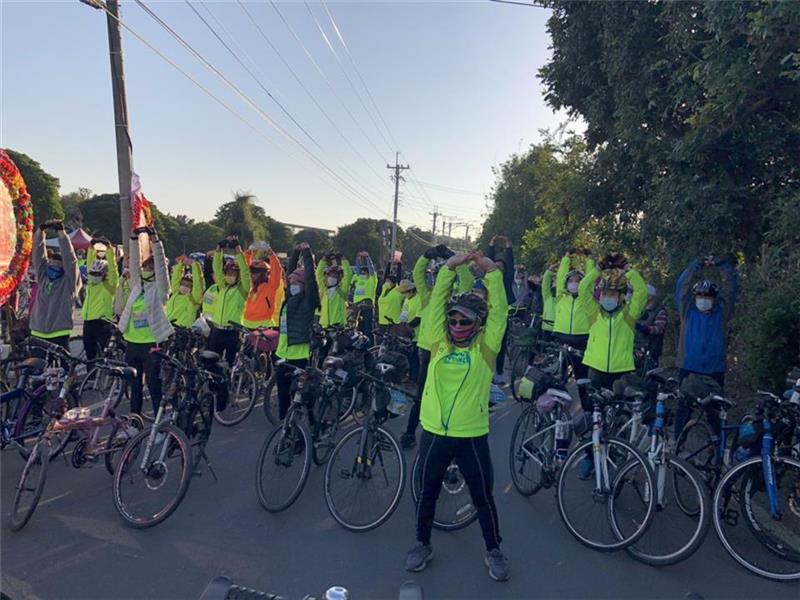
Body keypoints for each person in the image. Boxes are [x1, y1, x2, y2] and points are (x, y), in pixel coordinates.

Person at [406, 251, 509, 581]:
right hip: (435, 433)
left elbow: (501, 313)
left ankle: (494, 550)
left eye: (465, 321)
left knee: (483, 498)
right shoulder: (438, 343)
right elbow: (437, 301)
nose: (458, 325)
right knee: (428, 493)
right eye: (454, 320)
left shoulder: (486, 349)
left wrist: (491, 271)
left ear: (477, 323)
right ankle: (422, 544)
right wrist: (450, 266)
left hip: (471, 436)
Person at [578, 253, 647, 478]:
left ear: (620, 297)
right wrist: (598, 269)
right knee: (594, 419)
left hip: (621, 373)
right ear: (601, 296)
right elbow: (582, 289)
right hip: (596, 371)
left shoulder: (628, 315)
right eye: (605, 294)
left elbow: (642, 292)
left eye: (613, 294)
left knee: (620, 418)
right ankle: (590, 457)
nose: (608, 297)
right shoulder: (593, 313)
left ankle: (618, 456)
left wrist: (627, 268)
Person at [674, 256, 737, 435]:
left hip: (714, 371)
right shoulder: (687, 312)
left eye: (707, 296)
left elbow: (730, 290)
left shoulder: (721, 314)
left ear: (714, 298)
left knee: (714, 415)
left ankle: (716, 453)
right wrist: (696, 264)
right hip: (688, 369)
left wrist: (722, 265)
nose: (703, 299)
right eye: (699, 295)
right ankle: (677, 448)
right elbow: (682, 288)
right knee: (683, 411)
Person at [118, 227, 174, 415]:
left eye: (150, 268)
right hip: (132, 343)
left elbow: (161, 267)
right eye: (145, 267)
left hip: (151, 344)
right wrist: (134, 238)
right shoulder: (137, 286)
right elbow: (134, 263)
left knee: (153, 386)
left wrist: (155, 240)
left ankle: (159, 427)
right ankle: (135, 421)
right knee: (135, 388)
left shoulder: (160, 290)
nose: (145, 270)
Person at [275, 242, 319, 420]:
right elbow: (289, 273)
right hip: (281, 355)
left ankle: (309, 428)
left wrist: (307, 253)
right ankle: (283, 429)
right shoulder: (288, 300)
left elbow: (310, 279)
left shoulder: (308, 302)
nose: (291, 284)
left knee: (301, 398)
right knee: (283, 398)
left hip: (299, 358)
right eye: (290, 281)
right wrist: (294, 252)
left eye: (296, 282)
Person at [29, 220, 79, 351]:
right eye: (51, 262)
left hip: (60, 333)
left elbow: (70, 260)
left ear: (63, 266)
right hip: (38, 331)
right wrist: (40, 232)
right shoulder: (43, 277)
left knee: (63, 370)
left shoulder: (69, 282)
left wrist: (62, 234)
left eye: (57, 263)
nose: (53, 264)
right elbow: (38, 256)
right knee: (34, 369)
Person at [553, 248, 596, 378]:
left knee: (581, 375)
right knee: (560, 374)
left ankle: (583, 397)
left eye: (578, 281)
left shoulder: (586, 296)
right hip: (562, 337)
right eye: (571, 280)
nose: (574, 283)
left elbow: (590, 279)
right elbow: (561, 276)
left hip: (581, 338)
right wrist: (566, 257)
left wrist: (589, 260)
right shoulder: (561, 296)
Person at [208, 236, 250, 364]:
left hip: (233, 332)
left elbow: (245, 270)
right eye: (227, 273)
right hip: (217, 330)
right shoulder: (222, 286)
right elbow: (216, 267)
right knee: (211, 364)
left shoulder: (243, 288)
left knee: (230, 364)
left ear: (238, 276)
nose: (229, 276)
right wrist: (219, 249)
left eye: (233, 274)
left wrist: (237, 249)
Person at [81, 237, 119, 360]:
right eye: (93, 274)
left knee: (103, 357)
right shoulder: (92, 283)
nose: (94, 276)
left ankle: (104, 377)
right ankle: (90, 376)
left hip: (103, 322)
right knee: (90, 355)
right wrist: (91, 248)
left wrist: (109, 250)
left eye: (97, 274)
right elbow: (89, 264)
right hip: (88, 321)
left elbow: (113, 269)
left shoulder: (110, 284)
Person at [485, 236, 515, 383]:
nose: (498, 268)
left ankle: (499, 371)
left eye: (501, 267)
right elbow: (488, 262)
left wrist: (508, 246)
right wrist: (491, 244)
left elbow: (510, 263)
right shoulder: (489, 278)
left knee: (501, 343)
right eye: (495, 266)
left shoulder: (507, 279)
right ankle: (486, 369)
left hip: (501, 315)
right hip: (488, 313)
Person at [242, 245, 284, 329]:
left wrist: (271, 254)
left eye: (256, 272)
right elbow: (244, 268)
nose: (252, 275)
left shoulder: (271, 286)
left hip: (264, 326)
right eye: (252, 272)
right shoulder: (248, 285)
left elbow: (277, 270)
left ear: (265, 273)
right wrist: (248, 253)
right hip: (245, 324)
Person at [634, 284, 668, 368]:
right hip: (638, 348)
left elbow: (659, 329)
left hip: (652, 349)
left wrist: (646, 329)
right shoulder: (641, 310)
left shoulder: (660, 312)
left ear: (650, 297)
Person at [316, 251, 352, 328]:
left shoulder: (342, 289)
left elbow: (348, 274)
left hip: (338, 325)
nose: (332, 278)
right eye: (330, 275)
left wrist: (343, 259)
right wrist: (323, 260)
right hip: (325, 325)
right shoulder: (324, 289)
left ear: (339, 278)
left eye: (335, 276)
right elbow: (318, 274)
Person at [166, 256, 204, 328]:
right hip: (168, 327)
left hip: (183, 330)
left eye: (188, 285)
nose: (184, 287)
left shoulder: (194, 299)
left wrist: (194, 265)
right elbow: (175, 278)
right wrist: (181, 264)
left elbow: (198, 283)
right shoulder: (175, 293)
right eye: (183, 284)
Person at [396, 279, 421, 381]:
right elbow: (404, 313)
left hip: (417, 333)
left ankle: (415, 377)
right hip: (407, 333)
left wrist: (409, 326)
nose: (403, 294)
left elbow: (419, 317)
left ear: (411, 290)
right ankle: (410, 376)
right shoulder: (407, 300)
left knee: (415, 357)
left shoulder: (419, 299)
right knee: (409, 357)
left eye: (404, 292)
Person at [351, 251, 378, 337]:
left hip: (367, 305)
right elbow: (357, 268)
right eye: (361, 272)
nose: (362, 273)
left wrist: (367, 258)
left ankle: (369, 344)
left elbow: (371, 269)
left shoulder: (371, 280)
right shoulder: (359, 278)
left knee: (368, 327)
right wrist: (358, 258)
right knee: (356, 326)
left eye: (364, 272)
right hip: (357, 305)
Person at [377, 258, 404, 328]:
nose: (386, 283)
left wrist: (399, 265)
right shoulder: (384, 290)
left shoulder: (397, 290)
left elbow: (399, 278)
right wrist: (389, 264)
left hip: (393, 323)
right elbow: (385, 276)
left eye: (388, 281)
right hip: (382, 322)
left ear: (393, 283)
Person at [540, 264, 557, 341]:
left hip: (559, 330)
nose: (555, 284)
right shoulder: (548, 297)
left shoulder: (565, 299)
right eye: (554, 282)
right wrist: (549, 271)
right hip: (546, 328)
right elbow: (545, 284)